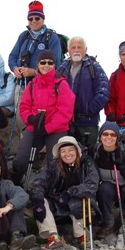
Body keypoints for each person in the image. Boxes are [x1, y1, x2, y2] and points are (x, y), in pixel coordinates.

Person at [11, 50, 76, 186]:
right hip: (35, 126)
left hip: (56, 129)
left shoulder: (61, 84)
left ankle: (52, 191)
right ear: (38, 64)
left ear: (54, 64)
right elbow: (24, 106)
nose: (46, 65)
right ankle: (14, 185)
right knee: (21, 159)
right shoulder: (32, 84)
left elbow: (65, 112)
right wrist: (30, 119)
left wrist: (47, 128)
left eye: (50, 62)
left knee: (55, 162)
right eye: (43, 62)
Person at [29, 136, 99, 250]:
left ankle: (82, 236)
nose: (67, 154)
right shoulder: (53, 165)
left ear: (77, 151)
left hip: (77, 202)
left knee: (82, 200)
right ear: (59, 154)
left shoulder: (87, 163)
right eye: (63, 151)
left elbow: (92, 184)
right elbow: (38, 182)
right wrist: (38, 200)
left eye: (71, 150)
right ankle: (53, 238)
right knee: (42, 202)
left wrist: (70, 192)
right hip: (57, 202)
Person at [90, 122, 125, 239]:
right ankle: (108, 222)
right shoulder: (96, 151)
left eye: (113, 135)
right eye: (105, 134)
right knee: (103, 188)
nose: (109, 137)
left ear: (117, 137)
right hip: (110, 185)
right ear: (100, 136)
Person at [56, 36, 110, 148]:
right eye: (73, 47)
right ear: (69, 50)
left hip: (87, 123)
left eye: (79, 47)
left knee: (88, 157)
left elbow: (103, 93)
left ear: (85, 50)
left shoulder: (94, 67)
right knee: (68, 156)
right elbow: (53, 91)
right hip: (65, 122)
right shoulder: (62, 68)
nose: (76, 50)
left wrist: (87, 109)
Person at [8, 0, 62, 84]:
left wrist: (34, 72)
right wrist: (15, 68)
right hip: (21, 85)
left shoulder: (52, 37)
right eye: (30, 18)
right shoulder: (23, 36)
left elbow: (56, 64)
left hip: (43, 85)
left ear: (43, 19)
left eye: (37, 18)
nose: (33, 21)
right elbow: (12, 57)